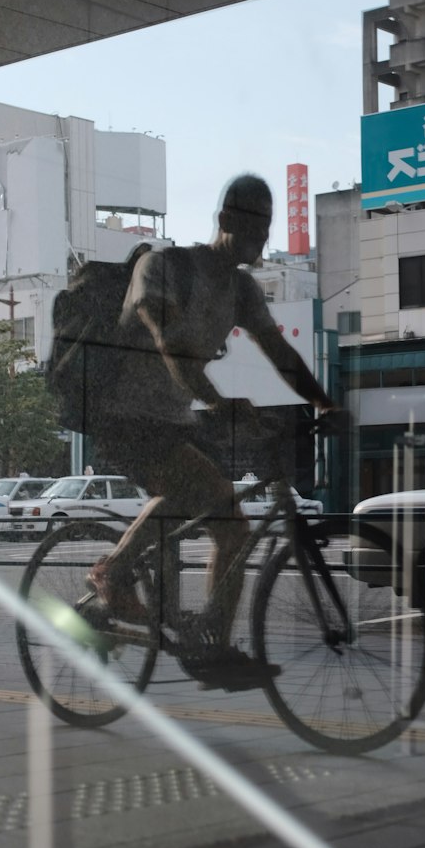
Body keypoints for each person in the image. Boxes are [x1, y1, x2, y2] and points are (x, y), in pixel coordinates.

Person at [89, 174, 337, 689]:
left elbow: (278, 349)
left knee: (232, 525)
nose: (259, 243)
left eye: (265, 231)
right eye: (251, 229)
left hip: (172, 417)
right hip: (118, 413)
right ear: (224, 221)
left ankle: (214, 645)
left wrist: (322, 401)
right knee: (197, 488)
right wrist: (221, 403)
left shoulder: (241, 289)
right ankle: (114, 571)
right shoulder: (162, 268)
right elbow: (169, 344)